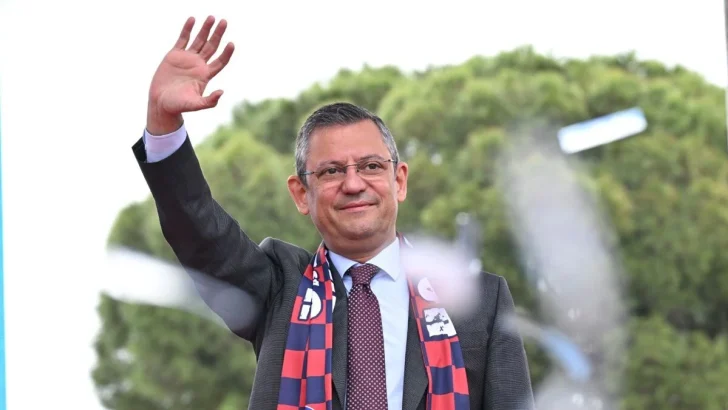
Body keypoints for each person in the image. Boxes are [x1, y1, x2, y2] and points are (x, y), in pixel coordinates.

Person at [133, 15, 535, 410]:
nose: (353, 183)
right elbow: (201, 233)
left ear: (399, 181)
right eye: (331, 171)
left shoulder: (479, 300)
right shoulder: (277, 289)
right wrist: (164, 125)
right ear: (301, 194)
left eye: (371, 166)